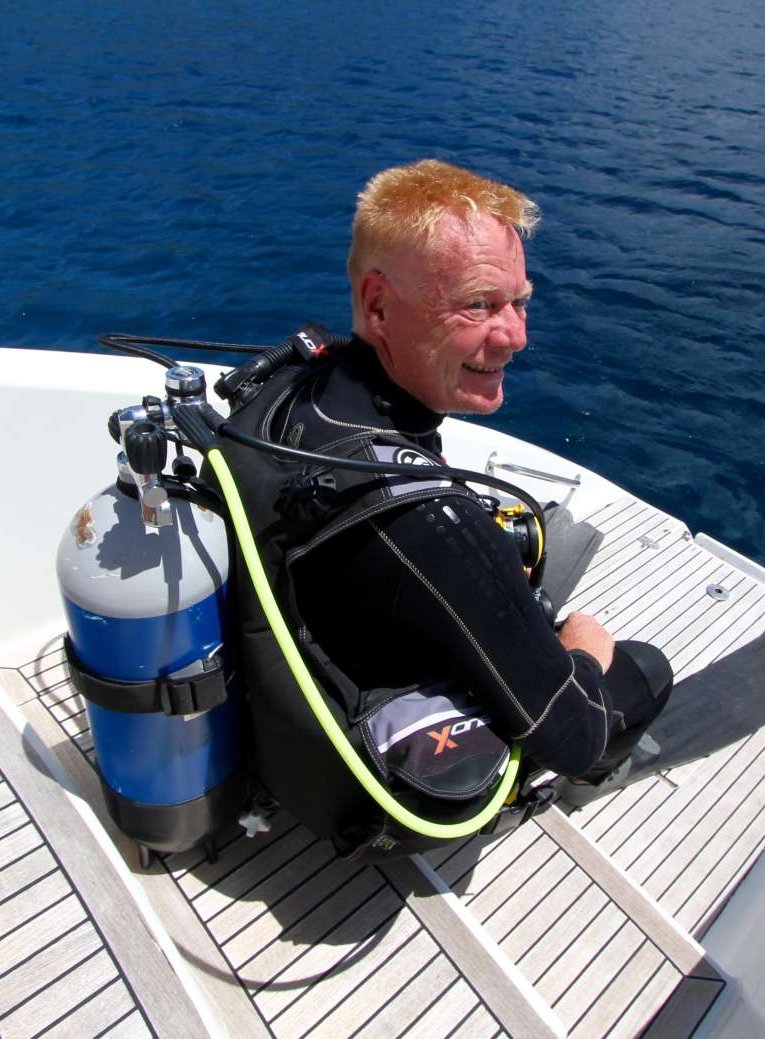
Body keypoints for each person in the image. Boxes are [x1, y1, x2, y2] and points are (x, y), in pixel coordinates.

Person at [221, 160, 672, 850]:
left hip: (300, 665)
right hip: (373, 772)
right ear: (377, 307)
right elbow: (576, 734)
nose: (515, 335)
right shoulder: (436, 529)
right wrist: (583, 653)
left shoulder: (290, 392)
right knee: (640, 667)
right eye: (479, 304)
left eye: (520, 301)